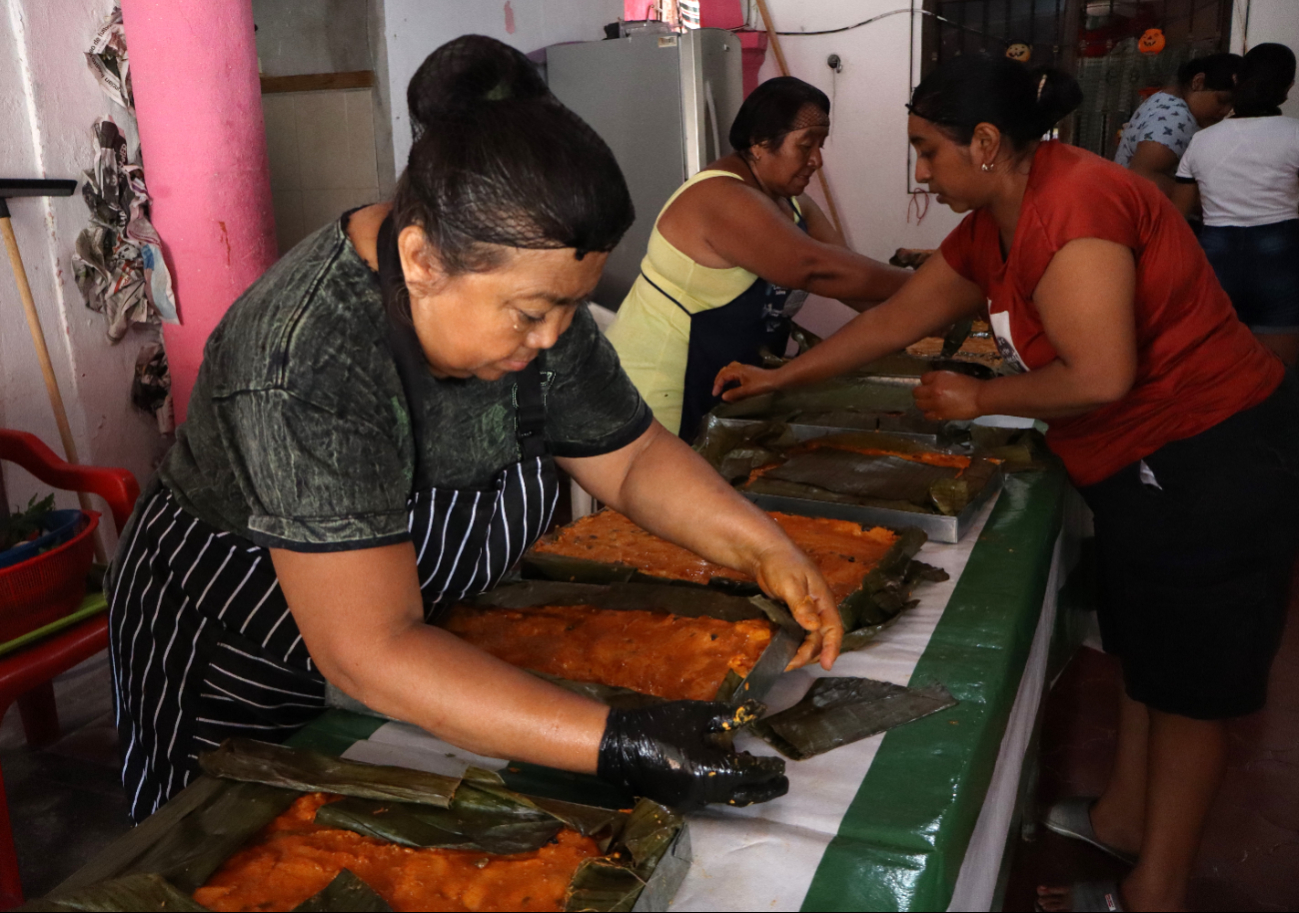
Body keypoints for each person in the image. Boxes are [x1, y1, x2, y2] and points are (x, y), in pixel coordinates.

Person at [107, 36, 844, 824]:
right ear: (421, 260)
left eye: (569, 306)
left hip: (416, 642)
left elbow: (628, 460)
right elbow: (373, 647)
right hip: (241, 650)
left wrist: (762, 546)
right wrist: (619, 741)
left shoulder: (524, 279)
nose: (557, 338)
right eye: (533, 313)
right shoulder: (308, 354)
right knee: (236, 847)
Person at [716, 54, 1299, 913]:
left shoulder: (1074, 205)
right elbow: (899, 315)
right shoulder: (997, 212)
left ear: (984, 143)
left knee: (1191, 689)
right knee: (1146, 654)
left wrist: (978, 394)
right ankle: (1125, 820)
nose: (919, 171)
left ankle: (1156, 892)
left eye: (926, 151)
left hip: (1206, 458)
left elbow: (1100, 373)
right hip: (1142, 467)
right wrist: (779, 381)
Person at [605, 76, 910, 442]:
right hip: (664, 386)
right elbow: (816, 269)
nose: (817, 160)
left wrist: (938, 308)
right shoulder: (721, 197)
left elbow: (854, 283)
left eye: (821, 145)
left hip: (734, 384)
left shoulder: (795, 206)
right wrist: (946, 281)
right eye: (806, 145)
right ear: (761, 144)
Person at [1173, 43, 1299, 365]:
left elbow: (1177, 213)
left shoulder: (1202, 140)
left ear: (1235, 78)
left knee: (1219, 365)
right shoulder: (1295, 134)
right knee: (1280, 373)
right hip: (1281, 250)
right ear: (1287, 90)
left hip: (1217, 253)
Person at [1114, 53, 1240, 196]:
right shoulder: (1175, 116)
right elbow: (1144, 176)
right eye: (1222, 100)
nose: (1225, 111)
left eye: (1232, 105)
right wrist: (1206, 202)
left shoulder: (1169, 99)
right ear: (1198, 82)